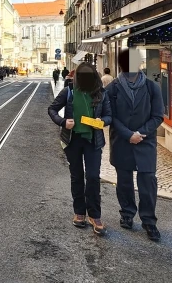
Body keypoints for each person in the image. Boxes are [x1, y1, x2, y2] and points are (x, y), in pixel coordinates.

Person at [104, 49, 165, 241]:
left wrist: (141, 133)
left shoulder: (151, 87)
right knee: (124, 182)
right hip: (122, 141)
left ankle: (149, 221)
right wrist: (128, 135)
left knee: (147, 181)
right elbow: (111, 116)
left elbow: (158, 116)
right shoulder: (112, 89)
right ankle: (127, 214)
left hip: (145, 142)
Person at [48, 62, 113, 234]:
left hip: (93, 141)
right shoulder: (69, 91)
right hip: (73, 141)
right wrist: (63, 122)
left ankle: (95, 215)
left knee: (92, 177)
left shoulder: (100, 93)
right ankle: (79, 212)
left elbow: (109, 115)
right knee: (77, 176)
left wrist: (103, 122)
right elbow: (52, 109)